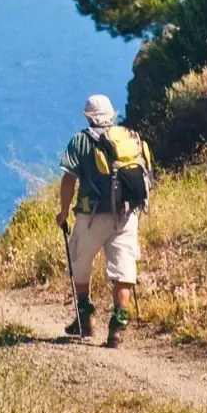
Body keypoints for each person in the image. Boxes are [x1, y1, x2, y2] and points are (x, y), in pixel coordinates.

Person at [54, 94, 154, 348]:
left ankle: (85, 318)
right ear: (112, 115)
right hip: (126, 214)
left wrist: (63, 212)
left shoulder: (81, 140)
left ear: (88, 117)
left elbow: (68, 180)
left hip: (92, 215)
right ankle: (117, 327)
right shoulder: (129, 137)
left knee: (80, 261)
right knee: (123, 267)